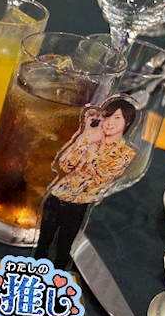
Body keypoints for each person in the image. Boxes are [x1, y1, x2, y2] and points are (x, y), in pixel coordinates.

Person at [34, 97, 138, 270]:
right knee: (42, 245)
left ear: (127, 123)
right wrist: (86, 136)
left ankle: (56, 280)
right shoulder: (89, 138)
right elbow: (65, 164)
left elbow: (100, 178)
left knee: (63, 248)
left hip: (78, 205)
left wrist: (94, 148)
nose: (110, 122)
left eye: (117, 118)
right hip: (56, 196)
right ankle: (34, 275)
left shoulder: (125, 153)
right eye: (107, 117)